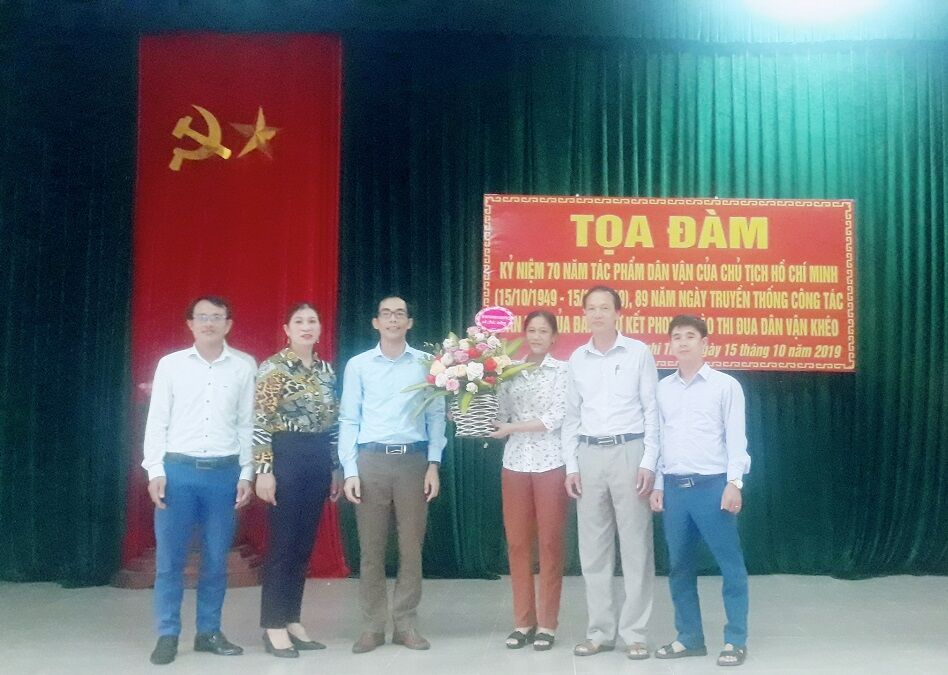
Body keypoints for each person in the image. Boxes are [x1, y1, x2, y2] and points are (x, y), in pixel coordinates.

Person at [142, 296, 255, 665]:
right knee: (170, 559)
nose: (209, 323)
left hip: (224, 474)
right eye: (202, 317)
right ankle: (167, 634)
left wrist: (247, 472)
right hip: (178, 472)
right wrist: (155, 471)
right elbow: (157, 421)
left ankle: (209, 631)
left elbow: (247, 424)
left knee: (216, 558)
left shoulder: (244, 366)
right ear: (190, 323)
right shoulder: (171, 365)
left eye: (216, 317)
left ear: (228, 324)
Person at [338, 296, 447, 653]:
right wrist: (350, 470)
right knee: (370, 549)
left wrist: (434, 464)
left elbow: (436, 417)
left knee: (411, 547)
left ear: (409, 322)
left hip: (413, 462)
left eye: (400, 314)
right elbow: (349, 419)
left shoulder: (427, 364)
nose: (393, 320)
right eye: (386, 314)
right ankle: (372, 626)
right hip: (370, 462)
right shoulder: (358, 365)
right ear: (375, 322)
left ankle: (405, 624)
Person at [561, 285, 660, 660]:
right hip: (588, 454)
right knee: (593, 550)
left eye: (605, 308)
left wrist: (649, 461)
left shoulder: (638, 352)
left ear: (618, 313)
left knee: (636, 547)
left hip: (629, 452)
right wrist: (572, 465)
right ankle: (600, 632)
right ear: (584, 314)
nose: (598, 314)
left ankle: (635, 633)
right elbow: (571, 416)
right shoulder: (577, 358)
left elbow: (652, 410)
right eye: (591, 308)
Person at [650, 315, 751, 667]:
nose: (682, 342)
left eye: (690, 336)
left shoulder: (726, 386)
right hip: (675, 490)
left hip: (713, 487)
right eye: (676, 336)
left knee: (730, 565)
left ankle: (735, 639)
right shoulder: (662, 389)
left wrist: (734, 483)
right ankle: (689, 637)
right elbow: (658, 440)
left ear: (705, 343)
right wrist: (658, 485)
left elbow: (736, 438)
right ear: (669, 344)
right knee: (679, 567)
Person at [253, 303, 342, 658]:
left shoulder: (326, 371)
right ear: (287, 329)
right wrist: (264, 470)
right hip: (286, 456)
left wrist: (334, 467)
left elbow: (334, 424)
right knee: (283, 544)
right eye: (299, 321)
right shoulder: (273, 367)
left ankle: (292, 619)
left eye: (312, 321)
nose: (307, 327)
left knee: (304, 546)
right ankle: (272, 625)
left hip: (318, 457)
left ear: (320, 328)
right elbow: (260, 422)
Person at [489, 310, 569, 651]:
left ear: (554, 338)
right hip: (515, 463)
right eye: (531, 330)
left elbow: (556, 417)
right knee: (518, 544)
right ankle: (523, 622)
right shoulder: (509, 371)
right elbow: (500, 415)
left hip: (551, 462)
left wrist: (512, 428)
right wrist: (466, 406)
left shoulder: (563, 371)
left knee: (550, 544)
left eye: (543, 331)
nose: (536, 336)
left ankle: (547, 625)